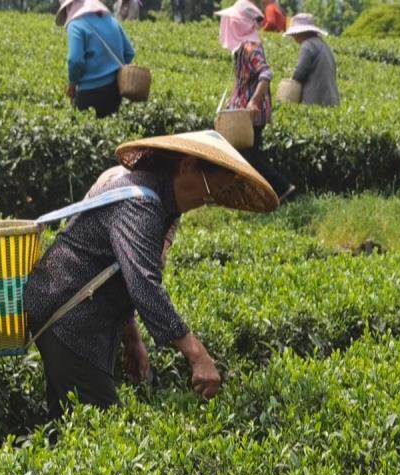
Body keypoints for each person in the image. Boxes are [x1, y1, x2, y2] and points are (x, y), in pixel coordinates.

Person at [23, 131, 279, 421]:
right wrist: (197, 354)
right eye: (208, 192)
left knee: (72, 422)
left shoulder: (159, 204)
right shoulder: (139, 204)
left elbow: (120, 273)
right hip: (70, 319)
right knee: (100, 430)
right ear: (186, 167)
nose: (204, 202)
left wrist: (131, 337)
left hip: (75, 312)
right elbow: (144, 284)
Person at [216, 0, 295, 201]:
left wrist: (253, 102)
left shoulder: (251, 47)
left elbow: (266, 73)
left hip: (252, 113)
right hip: (242, 112)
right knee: (246, 154)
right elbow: (243, 81)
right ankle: (254, 193)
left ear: (240, 24)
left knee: (249, 155)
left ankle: (283, 187)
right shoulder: (241, 48)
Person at [58, 0, 134, 118]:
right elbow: (129, 52)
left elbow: (75, 61)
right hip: (115, 91)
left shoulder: (76, 25)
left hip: (89, 94)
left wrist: (72, 84)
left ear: (69, 8)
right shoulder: (112, 21)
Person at [283, 13, 339, 107]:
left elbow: (300, 73)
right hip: (331, 98)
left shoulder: (308, 45)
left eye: (294, 34)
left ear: (301, 33)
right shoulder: (322, 44)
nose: (293, 37)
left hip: (316, 100)